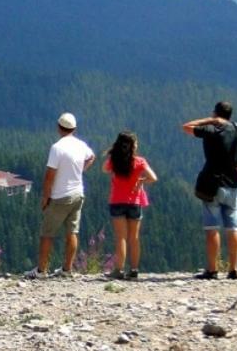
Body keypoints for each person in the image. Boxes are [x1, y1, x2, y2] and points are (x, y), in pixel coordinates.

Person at [182, 101, 237, 280]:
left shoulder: (212, 129)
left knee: (212, 228)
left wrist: (210, 120)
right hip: (232, 185)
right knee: (233, 227)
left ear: (216, 114)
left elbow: (187, 127)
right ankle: (233, 269)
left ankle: (212, 270)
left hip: (211, 185)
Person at [27, 112, 95, 279]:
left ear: (59, 127)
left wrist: (45, 196)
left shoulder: (57, 148)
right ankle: (67, 269)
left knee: (47, 233)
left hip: (59, 196)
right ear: (74, 128)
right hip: (78, 193)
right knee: (72, 231)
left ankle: (41, 270)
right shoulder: (81, 145)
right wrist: (82, 169)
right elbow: (91, 156)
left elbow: (50, 174)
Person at [101, 131, 157, 280]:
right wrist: (141, 181)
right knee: (134, 238)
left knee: (121, 238)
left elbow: (104, 169)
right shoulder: (140, 162)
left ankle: (118, 270)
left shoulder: (114, 161)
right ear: (134, 146)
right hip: (134, 202)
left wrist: (115, 155)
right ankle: (134, 270)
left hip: (117, 201)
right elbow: (153, 178)